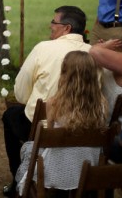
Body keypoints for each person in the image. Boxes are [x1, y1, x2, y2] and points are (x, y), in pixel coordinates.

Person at [2, 5, 92, 196]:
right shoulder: (94, 52)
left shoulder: (44, 48)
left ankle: (18, 179)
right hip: (85, 129)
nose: (50, 25)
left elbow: (21, 92)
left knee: (10, 115)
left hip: (42, 128)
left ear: (66, 28)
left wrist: (29, 102)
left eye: (54, 22)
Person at [15, 51, 108, 194]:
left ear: (65, 73)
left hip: (56, 170)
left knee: (29, 149)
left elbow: (51, 141)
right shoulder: (102, 104)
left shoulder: (54, 104)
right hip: (88, 167)